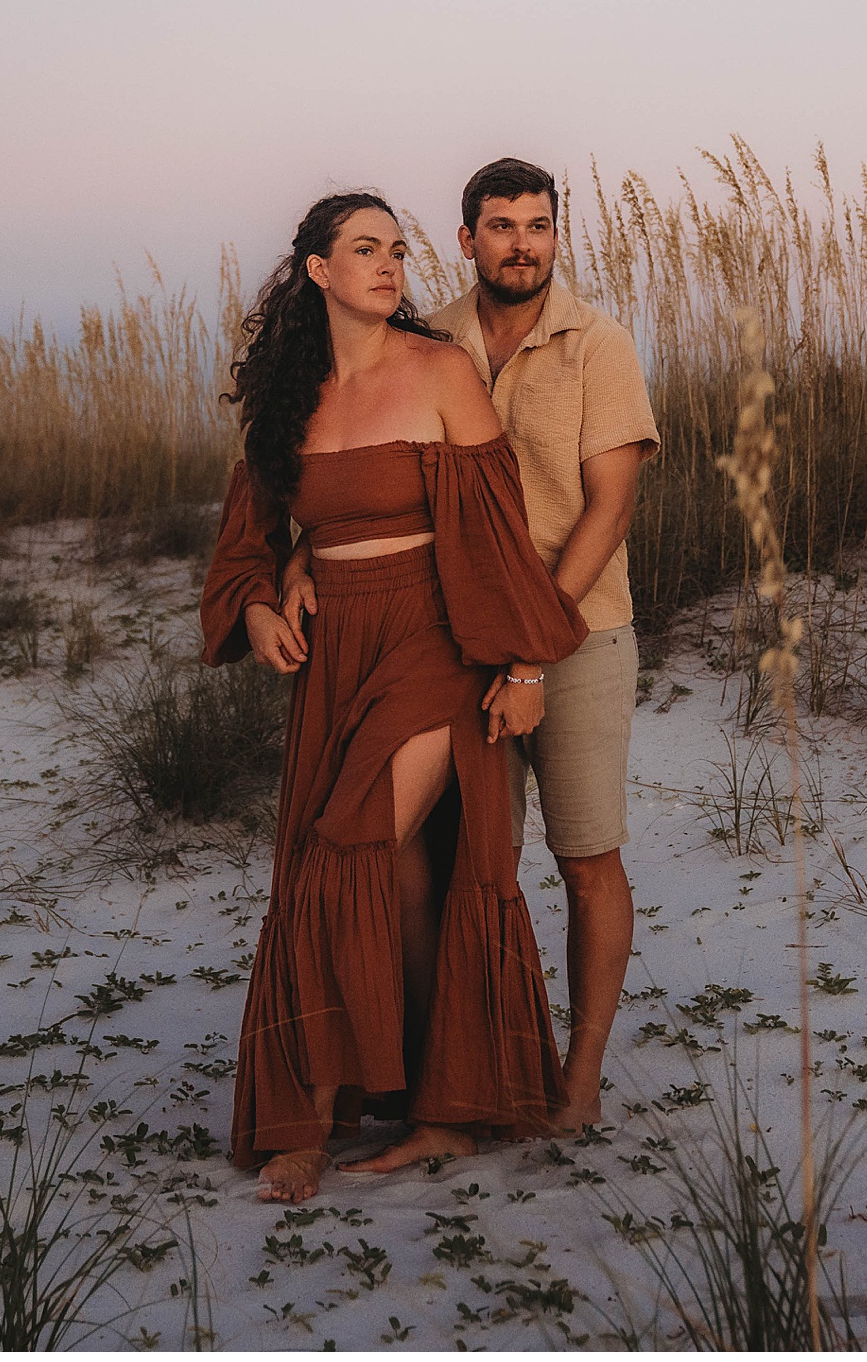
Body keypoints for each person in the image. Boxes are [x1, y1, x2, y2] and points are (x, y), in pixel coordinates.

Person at [199, 190, 587, 1204]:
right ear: (318, 271)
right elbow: (251, 539)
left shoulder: (442, 371)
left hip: (431, 639)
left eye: (397, 249)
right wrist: (261, 601)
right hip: (338, 656)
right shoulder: (289, 398)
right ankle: (438, 1105)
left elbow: (497, 534)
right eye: (364, 249)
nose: (388, 264)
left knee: (346, 851)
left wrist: (526, 666)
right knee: (409, 879)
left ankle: (309, 1119)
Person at [283, 160, 659, 1131]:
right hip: (450, 636)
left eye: (539, 225)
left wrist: (530, 650)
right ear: (468, 240)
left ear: (555, 237)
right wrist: (295, 560)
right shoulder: (428, 337)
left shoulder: (598, 344)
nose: (522, 242)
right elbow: (346, 466)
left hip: (572, 633)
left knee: (586, 857)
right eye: (501, 225)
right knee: (464, 865)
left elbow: (610, 507)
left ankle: (576, 1081)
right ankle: (450, 1083)